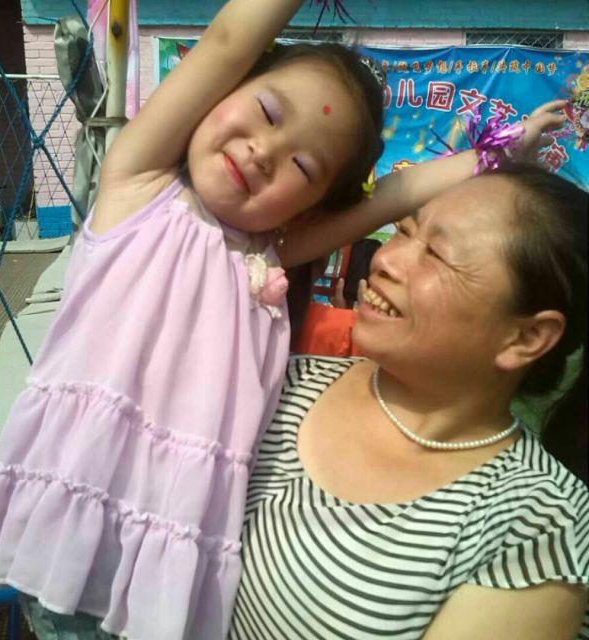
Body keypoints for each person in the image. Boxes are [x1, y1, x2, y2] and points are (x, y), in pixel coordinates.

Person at [0, 0, 566, 637]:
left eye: (303, 167)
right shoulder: (137, 185)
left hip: (166, 556)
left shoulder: (267, 257)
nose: (266, 151)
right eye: (268, 112)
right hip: (70, 529)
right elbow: (228, 40)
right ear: (222, 91)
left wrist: (495, 156)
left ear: (309, 209)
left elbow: (389, 199)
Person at [228, 163, 589, 640]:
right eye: (403, 230)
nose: (386, 260)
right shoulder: (281, 381)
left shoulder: (537, 519)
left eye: (436, 254)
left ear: (526, 337)